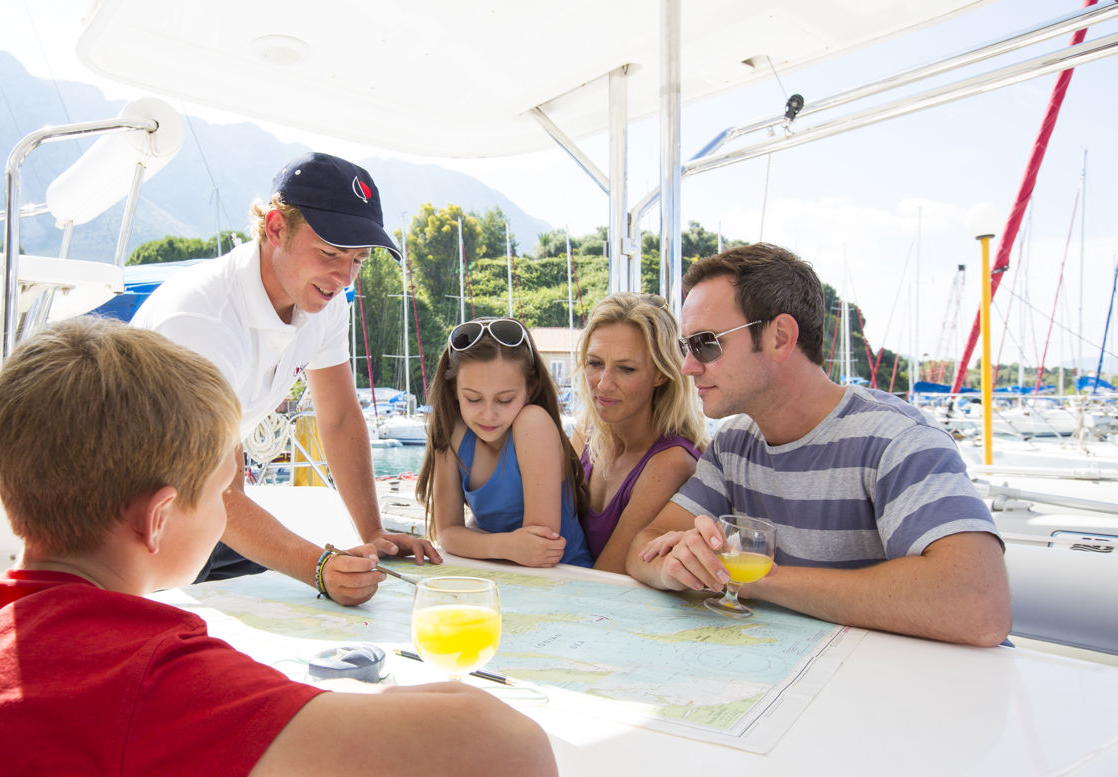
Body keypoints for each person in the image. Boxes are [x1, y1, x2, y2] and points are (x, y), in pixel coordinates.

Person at [0, 318, 558, 777]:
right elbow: (516, 765)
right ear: (160, 517)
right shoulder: (147, 678)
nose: (230, 509)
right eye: (225, 492)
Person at [626, 244, 1011, 647]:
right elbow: (643, 545)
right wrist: (674, 567)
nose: (688, 366)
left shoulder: (897, 440)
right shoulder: (734, 444)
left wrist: (756, 577)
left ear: (780, 338)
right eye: (687, 347)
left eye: (706, 343)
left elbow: (979, 604)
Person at [131, 152, 439, 606]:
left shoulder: (327, 300)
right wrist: (319, 568)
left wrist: (373, 532)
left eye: (358, 260)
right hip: (137, 524)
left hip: (208, 513)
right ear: (276, 228)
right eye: (331, 253)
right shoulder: (202, 320)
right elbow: (212, 485)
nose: (342, 277)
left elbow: (337, 417)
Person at [416, 316, 593, 568]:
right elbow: (447, 533)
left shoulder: (533, 423)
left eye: (505, 399)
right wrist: (505, 545)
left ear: (530, 389)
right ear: (454, 390)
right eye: (473, 399)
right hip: (503, 571)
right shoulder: (452, 430)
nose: (488, 415)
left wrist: (477, 542)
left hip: (569, 578)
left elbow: (539, 549)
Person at [573, 293, 707, 573]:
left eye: (626, 368)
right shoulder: (586, 431)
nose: (604, 384)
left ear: (661, 374)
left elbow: (608, 574)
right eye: (595, 363)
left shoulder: (671, 461)